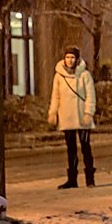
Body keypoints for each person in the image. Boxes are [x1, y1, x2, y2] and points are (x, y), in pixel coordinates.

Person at [48, 45, 97, 189]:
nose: (70, 60)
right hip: (66, 117)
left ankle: (90, 178)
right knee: (71, 149)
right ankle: (72, 179)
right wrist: (53, 112)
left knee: (86, 147)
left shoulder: (84, 75)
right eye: (67, 57)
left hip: (82, 117)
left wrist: (89, 113)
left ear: (77, 59)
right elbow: (55, 96)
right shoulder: (59, 76)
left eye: (72, 57)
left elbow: (90, 96)